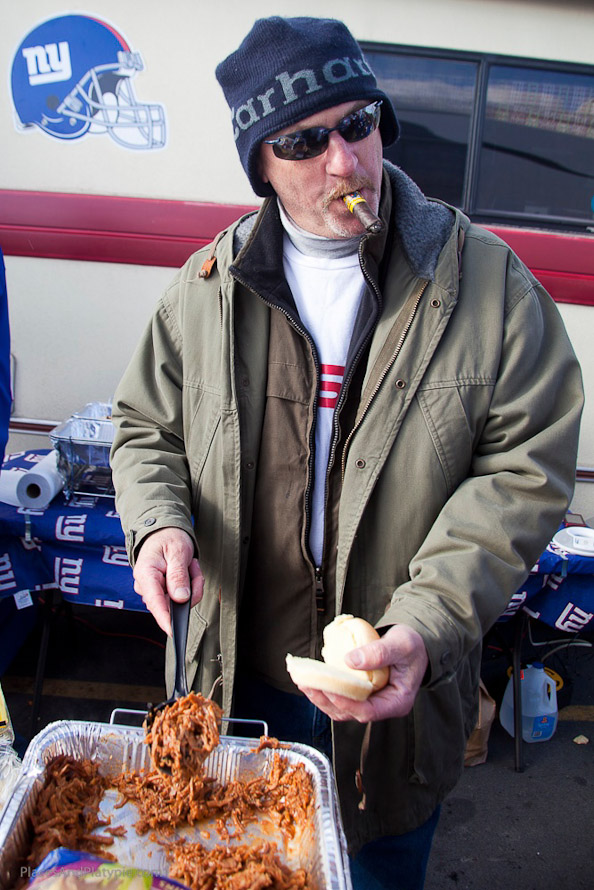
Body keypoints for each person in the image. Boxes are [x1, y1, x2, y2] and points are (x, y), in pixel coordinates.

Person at [110, 16, 584, 890]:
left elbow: (525, 466)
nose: (343, 160)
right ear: (260, 164)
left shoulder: (488, 283)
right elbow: (146, 427)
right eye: (303, 139)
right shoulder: (207, 287)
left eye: (358, 123)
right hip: (237, 688)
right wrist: (158, 524)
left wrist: (427, 622)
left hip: (390, 711)